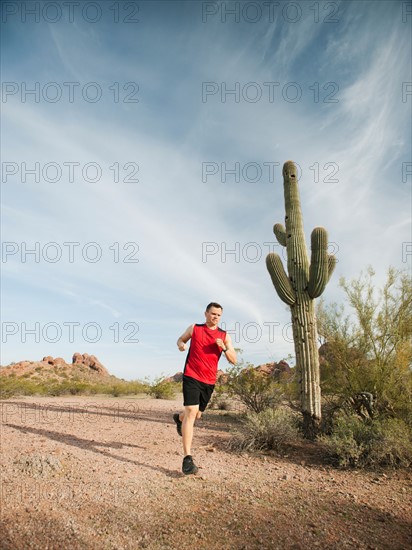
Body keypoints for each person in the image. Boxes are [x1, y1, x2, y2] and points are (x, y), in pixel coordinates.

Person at [173, 302, 236, 475]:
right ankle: (187, 458)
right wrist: (181, 345)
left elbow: (234, 359)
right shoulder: (195, 328)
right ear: (206, 313)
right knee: (192, 412)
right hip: (191, 375)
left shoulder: (224, 336)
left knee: (196, 415)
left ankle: (179, 418)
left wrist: (223, 348)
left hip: (209, 381)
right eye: (213, 313)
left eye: (218, 315)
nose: (215, 317)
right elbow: (181, 339)